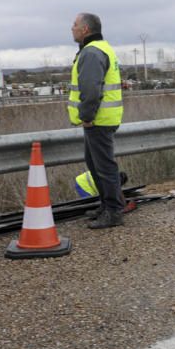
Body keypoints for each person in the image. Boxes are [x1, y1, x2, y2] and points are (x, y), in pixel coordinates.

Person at [69, 13, 126, 228]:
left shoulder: (92, 53)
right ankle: (106, 205)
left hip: (97, 120)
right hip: (101, 118)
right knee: (95, 163)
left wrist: (87, 116)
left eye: (75, 25)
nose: (71, 28)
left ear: (85, 29)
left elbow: (91, 90)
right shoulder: (100, 48)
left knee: (104, 166)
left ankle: (113, 211)